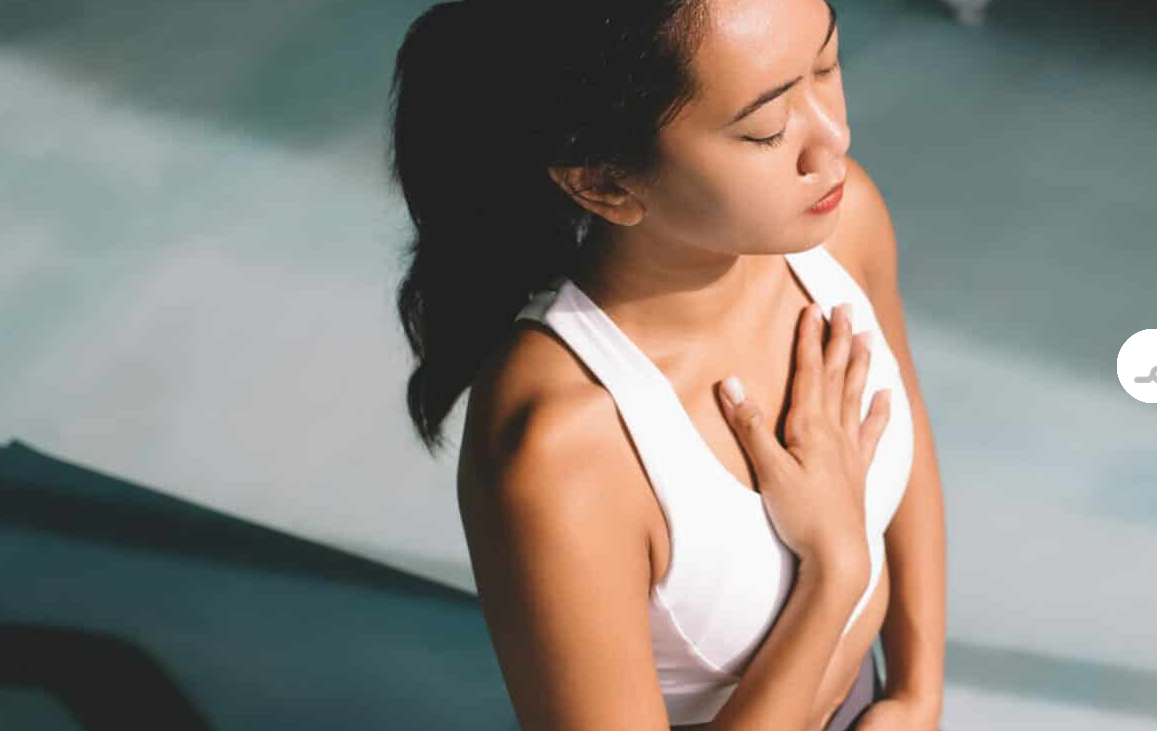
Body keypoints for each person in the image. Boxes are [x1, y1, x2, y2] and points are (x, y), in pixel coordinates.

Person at [386, 1, 947, 730]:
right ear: (606, 184)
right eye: (766, 129)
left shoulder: (839, 227)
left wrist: (917, 692)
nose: (831, 138)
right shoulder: (565, 447)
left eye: (826, 65)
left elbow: (907, 424)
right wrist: (833, 574)